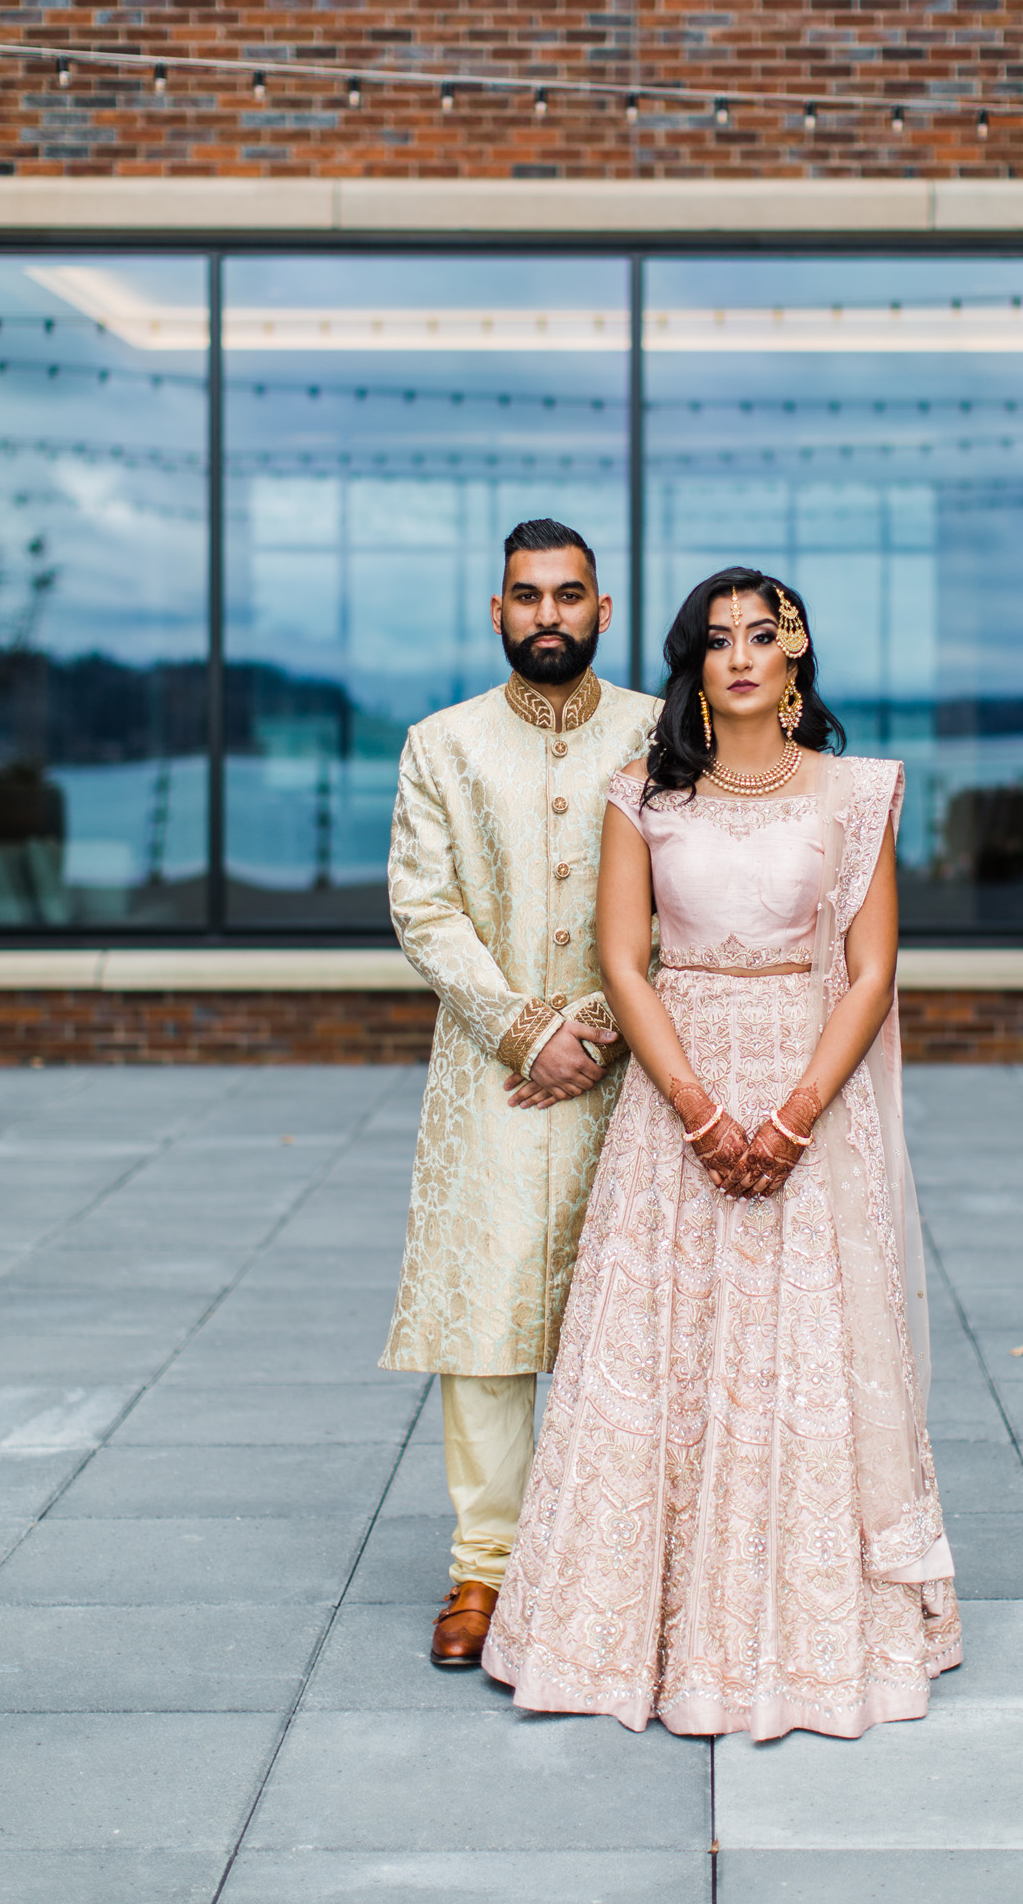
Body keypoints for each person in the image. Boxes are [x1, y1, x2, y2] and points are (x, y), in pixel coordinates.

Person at [484, 565, 960, 1740]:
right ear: (691, 664)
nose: (740, 654)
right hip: (675, 1098)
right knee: (665, 1353)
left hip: (810, 1084)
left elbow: (872, 971)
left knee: (805, 1348)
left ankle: (805, 1635)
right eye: (716, 638)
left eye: (763, 635)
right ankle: (627, 1632)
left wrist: (795, 1113)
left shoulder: (857, 794)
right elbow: (625, 963)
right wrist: (698, 1109)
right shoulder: (642, 791)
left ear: (796, 660)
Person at [378, 519, 658, 1669]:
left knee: (633, 1320)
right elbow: (422, 906)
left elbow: (689, 891)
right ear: (494, 613)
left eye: (570, 595)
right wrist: (522, 1028)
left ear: (604, 611)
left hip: (632, 1070)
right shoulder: (440, 746)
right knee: (486, 1329)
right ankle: (484, 1574)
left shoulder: (656, 734)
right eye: (527, 596)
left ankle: (622, 1559)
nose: (550, 614)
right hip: (491, 1079)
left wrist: (597, 1026)